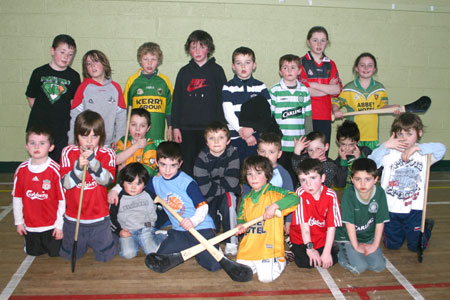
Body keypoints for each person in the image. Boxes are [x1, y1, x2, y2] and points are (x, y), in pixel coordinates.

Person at [369, 113, 446, 252]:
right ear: (394, 134)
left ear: (419, 133)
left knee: (415, 247)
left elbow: (441, 149)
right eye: (400, 134)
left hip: (415, 208)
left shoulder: (423, 154)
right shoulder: (389, 153)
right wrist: (385, 145)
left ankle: (425, 228)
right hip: (391, 208)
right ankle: (405, 232)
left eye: (409, 134)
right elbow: (370, 163)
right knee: (392, 246)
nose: (404, 138)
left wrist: (417, 148)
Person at [145, 141, 221, 271]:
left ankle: (206, 247)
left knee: (215, 266)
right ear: (157, 163)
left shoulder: (187, 182)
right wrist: (116, 190)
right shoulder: (155, 181)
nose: (167, 170)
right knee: (159, 262)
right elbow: (136, 184)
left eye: (172, 165)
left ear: (180, 164)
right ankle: (172, 240)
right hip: (179, 231)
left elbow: (203, 207)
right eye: (163, 165)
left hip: (201, 227)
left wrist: (192, 221)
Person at [59, 110, 117, 262]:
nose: (90, 141)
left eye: (95, 136)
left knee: (105, 257)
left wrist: (93, 163)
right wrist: (78, 168)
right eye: (84, 136)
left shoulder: (107, 153)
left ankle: (113, 234)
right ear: (77, 135)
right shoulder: (68, 152)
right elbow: (66, 184)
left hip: (99, 218)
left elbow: (107, 181)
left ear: (101, 136)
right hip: (74, 218)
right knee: (70, 256)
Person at [172, 30, 227, 176]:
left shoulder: (217, 71)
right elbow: (176, 100)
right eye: (193, 47)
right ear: (188, 49)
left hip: (210, 130)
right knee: (188, 167)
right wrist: (175, 126)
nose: (197, 51)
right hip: (187, 130)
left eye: (201, 47)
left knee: (209, 167)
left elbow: (223, 101)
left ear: (208, 48)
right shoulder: (184, 72)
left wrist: (221, 127)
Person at [236, 155, 299, 283]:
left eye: (258, 173)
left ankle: (282, 258)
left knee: (265, 278)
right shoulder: (246, 198)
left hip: (269, 248)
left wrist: (275, 206)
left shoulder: (276, 193)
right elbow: (241, 217)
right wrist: (241, 226)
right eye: (249, 174)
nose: (253, 178)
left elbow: (295, 198)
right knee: (241, 274)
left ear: (267, 174)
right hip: (250, 247)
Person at [25, 34, 81, 163]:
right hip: (39, 127)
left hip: (61, 129)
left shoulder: (74, 76)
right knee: (39, 161)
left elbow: (73, 103)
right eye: (62, 52)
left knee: (58, 163)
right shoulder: (39, 73)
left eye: (70, 54)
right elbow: (31, 98)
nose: (66, 57)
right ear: (52, 50)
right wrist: (44, 113)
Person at [12, 125, 65, 256]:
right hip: (30, 225)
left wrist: (59, 225)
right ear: (26, 146)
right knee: (33, 252)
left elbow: (62, 201)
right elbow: (17, 198)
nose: (36, 147)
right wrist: (19, 223)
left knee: (55, 253)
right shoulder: (22, 170)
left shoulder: (55, 170)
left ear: (51, 147)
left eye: (42, 143)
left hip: (51, 226)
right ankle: (28, 243)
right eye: (32, 143)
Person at [332, 52, 400, 150]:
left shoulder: (380, 89)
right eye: (362, 65)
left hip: (372, 135)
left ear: (374, 69)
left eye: (370, 66)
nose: (366, 68)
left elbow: (382, 107)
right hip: (353, 137)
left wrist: (392, 108)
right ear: (356, 68)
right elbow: (336, 102)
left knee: (370, 164)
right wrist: (335, 110)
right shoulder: (348, 88)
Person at [193, 122, 240, 256]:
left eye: (221, 137)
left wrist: (216, 185)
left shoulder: (233, 153)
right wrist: (224, 185)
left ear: (228, 141)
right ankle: (213, 241)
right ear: (207, 142)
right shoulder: (201, 158)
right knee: (208, 218)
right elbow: (203, 189)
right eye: (212, 138)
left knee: (230, 198)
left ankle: (231, 241)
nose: (216, 141)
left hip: (225, 194)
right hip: (208, 197)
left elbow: (233, 181)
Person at [335, 158, 389, 274]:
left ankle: (358, 252)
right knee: (359, 267)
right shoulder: (349, 195)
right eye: (358, 179)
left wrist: (374, 245)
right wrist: (356, 245)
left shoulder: (380, 193)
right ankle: (340, 253)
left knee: (378, 266)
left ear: (376, 179)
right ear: (352, 179)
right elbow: (349, 224)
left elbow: (380, 222)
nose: (363, 184)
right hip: (347, 237)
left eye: (368, 179)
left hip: (367, 237)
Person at [289, 158, 341, 269]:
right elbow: (304, 226)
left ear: (323, 178)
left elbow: (332, 227)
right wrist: (310, 248)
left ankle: (330, 247)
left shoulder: (331, 195)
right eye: (303, 180)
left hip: (320, 235)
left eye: (313, 178)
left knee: (331, 259)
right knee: (305, 263)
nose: (308, 184)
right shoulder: (300, 193)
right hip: (301, 236)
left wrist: (326, 252)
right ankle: (291, 243)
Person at [68, 50, 126, 148]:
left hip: (108, 144)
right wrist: (72, 141)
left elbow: (121, 117)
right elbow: (75, 116)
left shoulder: (115, 88)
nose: (92, 66)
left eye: (96, 61)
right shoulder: (83, 88)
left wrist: (119, 140)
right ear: (86, 69)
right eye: (89, 64)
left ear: (104, 63)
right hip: (87, 143)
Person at [222, 46, 271, 162]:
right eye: (239, 63)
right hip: (235, 137)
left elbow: (267, 111)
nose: (243, 66)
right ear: (233, 67)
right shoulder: (228, 87)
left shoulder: (260, 86)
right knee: (236, 172)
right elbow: (228, 114)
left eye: (247, 63)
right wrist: (243, 132)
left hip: (256, 137)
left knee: (255, 169)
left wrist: (252, 130)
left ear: (254, 65)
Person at [110, 163, 166, 259]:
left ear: (144, 185)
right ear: (122, 182)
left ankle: (159, 236)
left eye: (138, 184)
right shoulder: (118, 197)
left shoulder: (149, 194)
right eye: (129, 183)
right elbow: (111, 217)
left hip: (146, 228)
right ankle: (139, 241)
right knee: (128, 254)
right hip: (127, 231)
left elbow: (162, 206)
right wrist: (119, 231)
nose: (133, 187)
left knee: (152, 252)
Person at [123, 42, 173, 146]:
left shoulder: (164, 81)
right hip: (136, 136)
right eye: (146, 59)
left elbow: (170, 108)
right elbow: (126, 108)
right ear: (140, 61)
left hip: (157, 135)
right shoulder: (132, 81)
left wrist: (170, 128)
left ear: (158, 61)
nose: (149, 63)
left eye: (153, 59)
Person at [298, 26, 342, 143]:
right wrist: (328, 89)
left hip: (325, 116)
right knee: (306, 153)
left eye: (323, 40)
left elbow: (337, 90)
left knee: (322, 153)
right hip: (306, 115)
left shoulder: (331, 64)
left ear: (327, 42)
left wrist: (313, 84)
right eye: (315, 40)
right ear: (308, 42)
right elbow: (304, 91)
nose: (319, 44)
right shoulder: (300, 62)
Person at [269, 54, 312, 172]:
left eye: (293, 67)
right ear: (280, 71)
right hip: (281, 144)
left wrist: (308, 140)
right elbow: (270, 118)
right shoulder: (274, 91)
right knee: (280, 173)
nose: (289, 71)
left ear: (299, 70)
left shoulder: (304, 91)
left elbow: (308, 117)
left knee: (296, 174)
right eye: (285, 68)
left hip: (298, 144)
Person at [115, 108, 157, 176]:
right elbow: (116, 160)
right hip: (121, 184)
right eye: (133, 125)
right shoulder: (123, 141)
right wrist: (136, 146)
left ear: (148, 128)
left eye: (142, 126)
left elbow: (148, 172)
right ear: (128, 125)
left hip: (140, 185)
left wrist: (126, 170)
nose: (137, 129)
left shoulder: (150, 146)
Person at [334, 120, 372, 188]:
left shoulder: (366, 152)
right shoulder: (339, 161)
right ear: (338, 142)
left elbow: (371, 176)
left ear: (358, 142)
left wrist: (359, 159)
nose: (347, 148)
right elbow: (340, 184)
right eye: (343, 144)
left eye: (351, 145)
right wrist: (343, 161)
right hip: (350, 194)